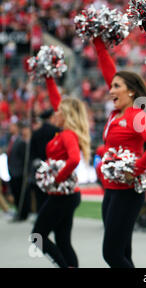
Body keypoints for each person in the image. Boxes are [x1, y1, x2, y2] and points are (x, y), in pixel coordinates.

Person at [93, 37, 146, 268]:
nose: (111, 90)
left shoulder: (137, 115)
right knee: (123, 251)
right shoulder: (116, 115)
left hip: (127, 192)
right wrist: (98, 43)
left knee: (111, 254)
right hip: (111, 191)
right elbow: (108, 73)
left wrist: (136, 170)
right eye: (111, 86)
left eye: (117, 87)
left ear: (132, 92)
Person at [31, 76, 91, 268]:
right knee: (63, 240)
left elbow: (74, 159)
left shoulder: (67, 135)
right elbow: (57, 99)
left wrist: (57, 178)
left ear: (65, 115)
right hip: (64, 195)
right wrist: (49, 78)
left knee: (37, 236)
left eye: (58, 112)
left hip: (62, 195)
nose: (54, 114)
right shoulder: (62, 133)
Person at [29, 109, 60, 213]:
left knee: (40, 193)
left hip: (39, 166)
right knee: (52, 194)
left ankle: (40, 213)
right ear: (51, 118)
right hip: (53, 165)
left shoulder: (36, 133)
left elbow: (32, 152)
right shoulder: (56, 131)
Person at [7, 120, 32, 221]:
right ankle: (19, 211)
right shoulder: (11, 140)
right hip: (12, 171)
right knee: (16, 192)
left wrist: (25, 172)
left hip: (19, 172)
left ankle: (23, 213)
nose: (10, 128)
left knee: (21, 193)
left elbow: (24, 159)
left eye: (12, 126)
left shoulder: (21, 142)